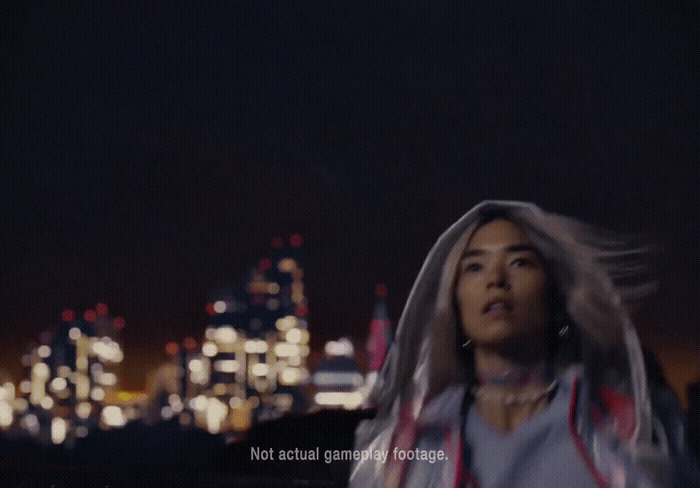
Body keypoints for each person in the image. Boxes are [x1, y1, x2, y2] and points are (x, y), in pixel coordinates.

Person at [350, 201, 699, 488]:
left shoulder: (626, 428)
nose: (496, 280)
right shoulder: (409, 443)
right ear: (454, 304)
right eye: (474, 268)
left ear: (556, 297)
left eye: (519, 262)